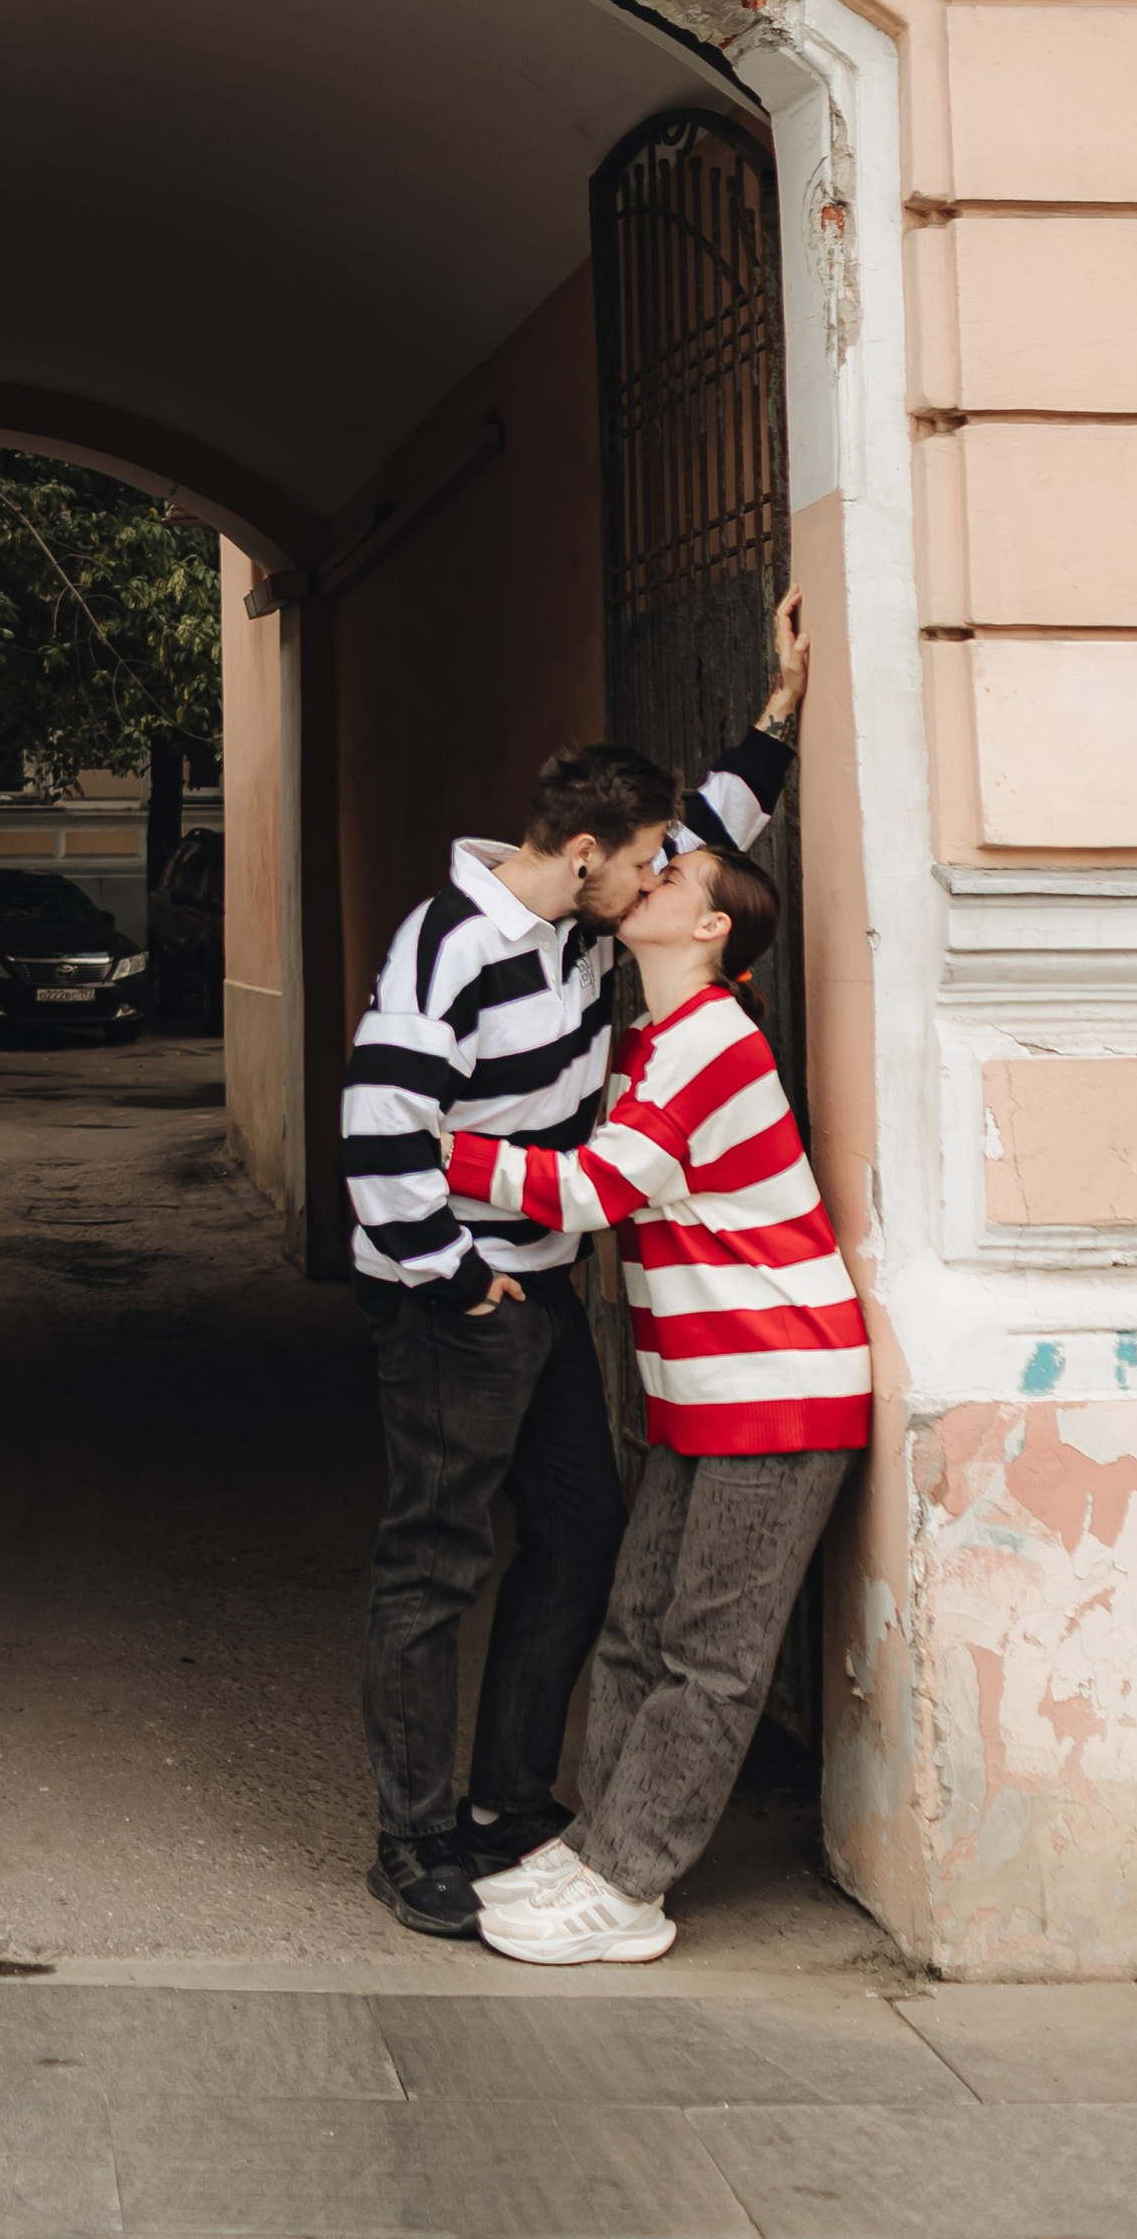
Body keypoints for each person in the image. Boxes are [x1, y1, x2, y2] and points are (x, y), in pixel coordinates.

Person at [343, 589, 809, 1940]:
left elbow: (720, 827)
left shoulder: (582, 913)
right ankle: (414, 1835)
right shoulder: (450, 950)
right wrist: (451, 1268)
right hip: (456, 1301)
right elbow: (377, 1121)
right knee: (433, 1557)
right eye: (653, 857)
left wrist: (778, 709)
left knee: (580, 1535)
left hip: (533, 1276)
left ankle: (505, 1801)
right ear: (593, 852)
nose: (673, 872)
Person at [450, 820, 869, 1967]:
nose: (645, 876)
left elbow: (595, 1188)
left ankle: (631, 1884)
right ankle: (599, 1842)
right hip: (702, 1389)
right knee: (637, 1629)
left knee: (711, 1658)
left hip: (774, 1387)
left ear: (711, 925)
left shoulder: (716, 1038)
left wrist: (432, 1145)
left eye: (669, 873)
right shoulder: (655, 1038)